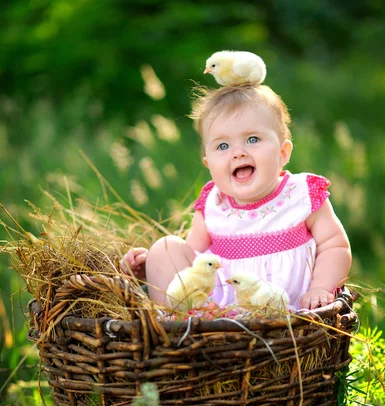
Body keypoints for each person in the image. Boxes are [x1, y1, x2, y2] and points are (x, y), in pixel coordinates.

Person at [121, 82, 351, 311]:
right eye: (222, 145)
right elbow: (192, 262)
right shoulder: (213, 203)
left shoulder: (301, 195)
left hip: (283, 310)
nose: (238, 152)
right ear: (208, 164)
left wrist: (320, 288)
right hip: (218, 310)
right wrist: (151, 267)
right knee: (166, 248)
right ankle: (184, 323)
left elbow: (334, 245)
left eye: (252, 139)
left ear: (283, 153)